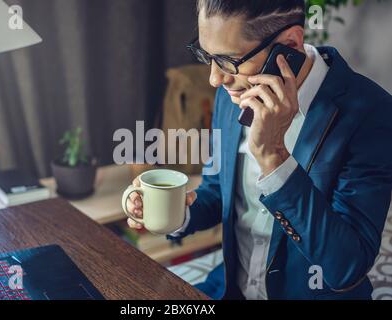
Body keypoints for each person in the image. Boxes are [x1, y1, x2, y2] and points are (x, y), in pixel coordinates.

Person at [125, 0, 392, 300]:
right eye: (207, 56)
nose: (215, 78)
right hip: (229, 290)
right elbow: (218, 191)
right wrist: (172, 212)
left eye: (228, 60)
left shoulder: (373, 113)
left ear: (289, 45)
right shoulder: (232, 93)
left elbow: (347, 267)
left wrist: (274, 157)